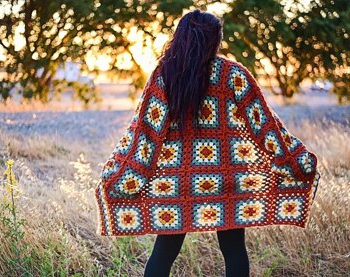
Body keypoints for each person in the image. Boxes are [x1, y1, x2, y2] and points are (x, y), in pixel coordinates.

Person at [94, 9, 320, 277]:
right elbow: (266, 128)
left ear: (182, 37)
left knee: (164, 253)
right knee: (234, 250)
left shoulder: (165, 76)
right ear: (215, 40)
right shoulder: (233, 75)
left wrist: (118, 173)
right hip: (227, 181)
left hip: (177, 185)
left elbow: (144, 135)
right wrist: (297, 160)